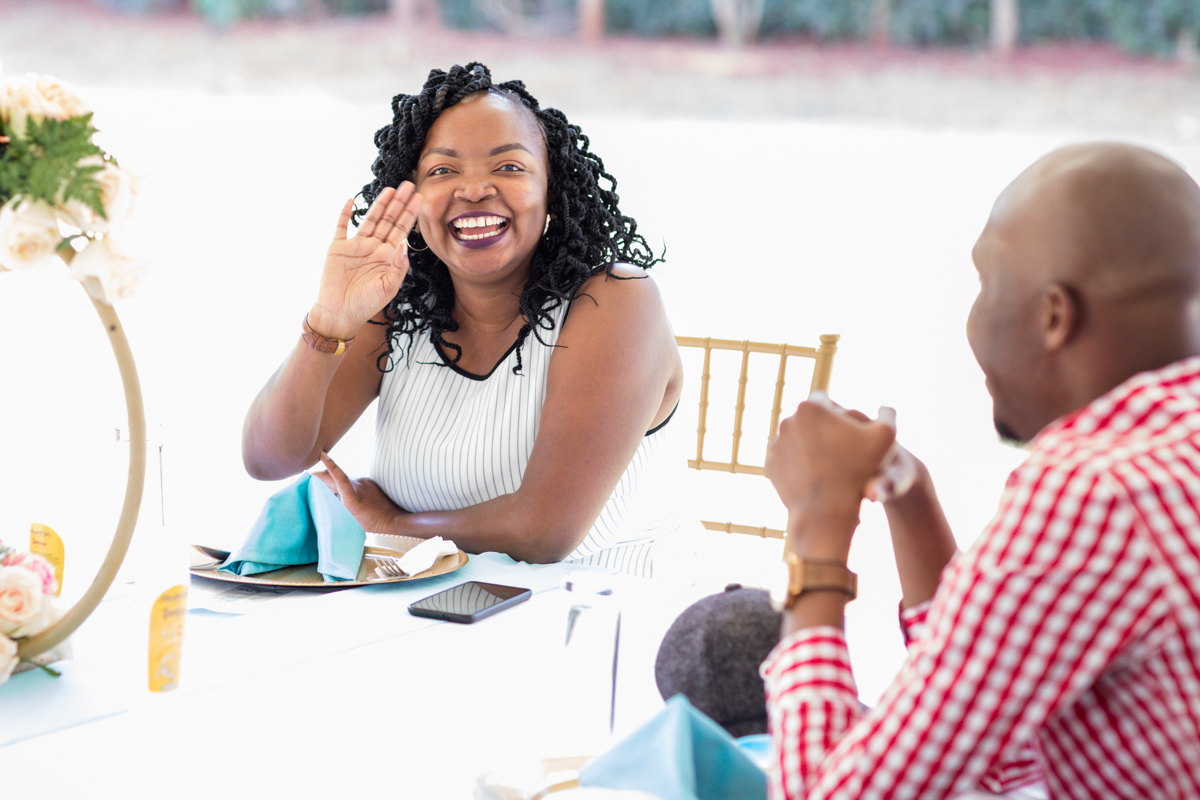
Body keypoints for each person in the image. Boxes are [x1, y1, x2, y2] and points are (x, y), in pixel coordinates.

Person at [759, 142, 1200, 799]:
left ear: (1054, 317)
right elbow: (993, 733)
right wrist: (910, 497)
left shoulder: (1096, 491)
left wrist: (818, 527)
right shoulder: (1167, 449)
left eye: (986, 284)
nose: (973, 319)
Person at [242, 63, 682, 575]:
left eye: (509, 168)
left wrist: (391, 523)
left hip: (601, 617)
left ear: (552, 196)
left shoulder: (618, 304)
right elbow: (268, 460)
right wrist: (329, 321)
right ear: (412, 200)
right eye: (442, 171)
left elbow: (542, 531)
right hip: (426, 614)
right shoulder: (397, 306)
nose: (474, 189)